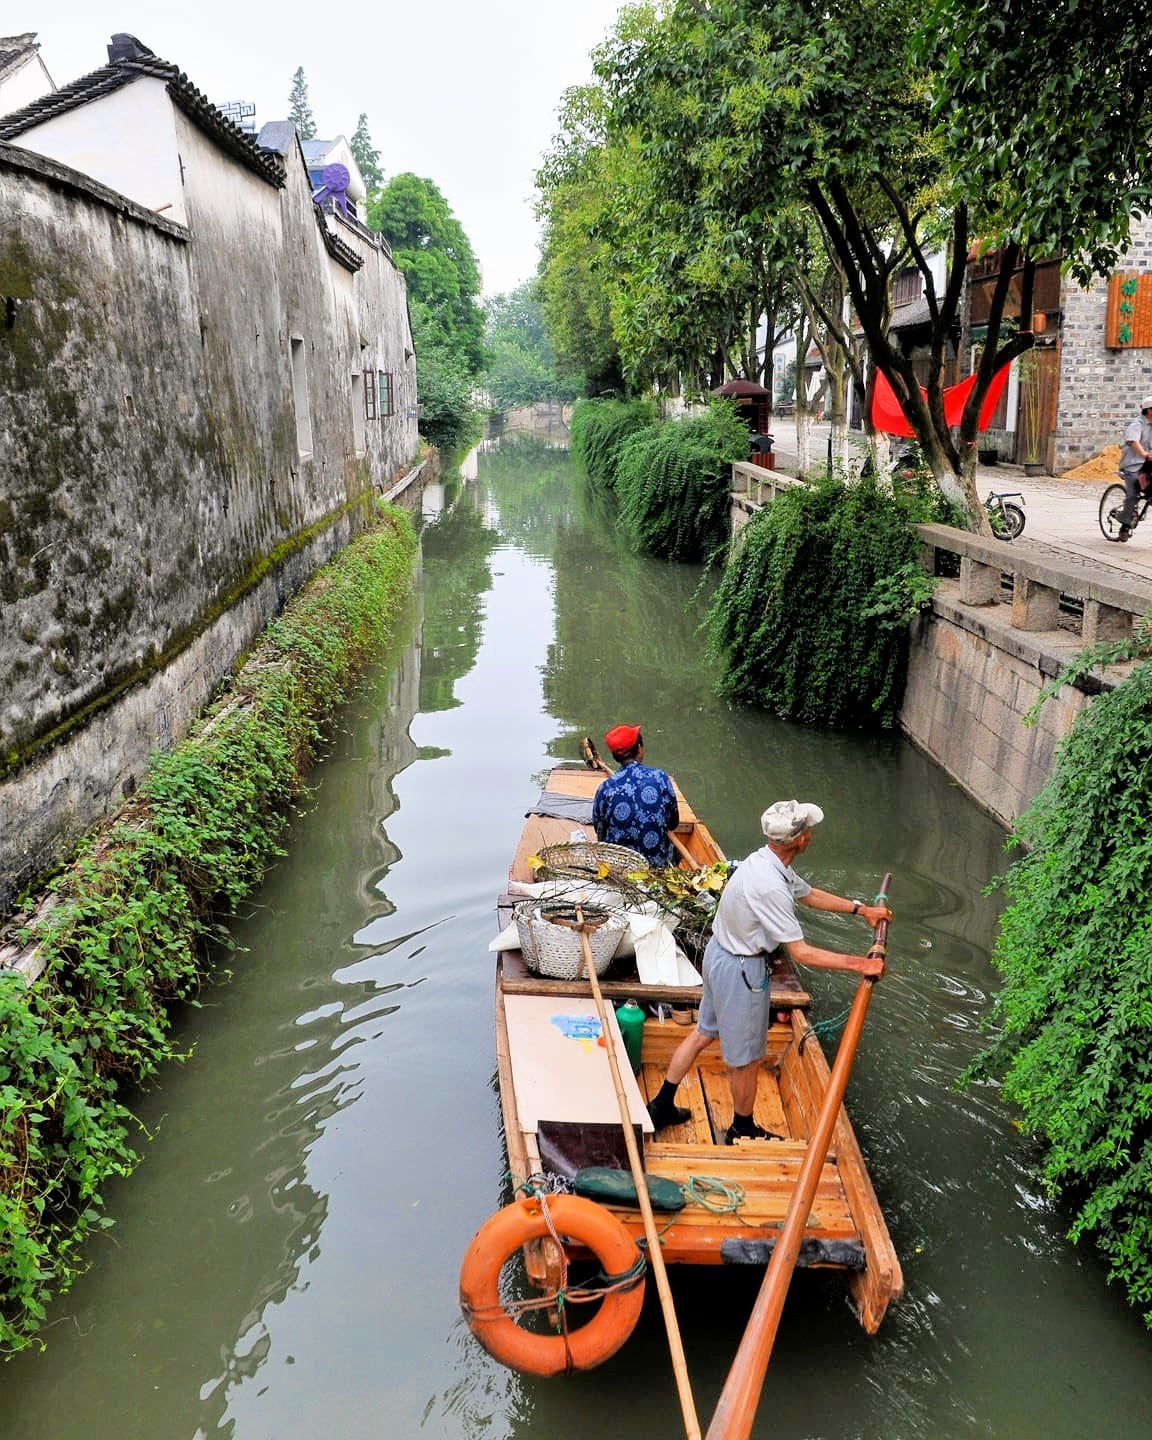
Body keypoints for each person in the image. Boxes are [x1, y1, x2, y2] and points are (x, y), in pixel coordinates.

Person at [646, 799, 890, 1143]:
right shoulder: (770, 885)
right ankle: (741, 1128)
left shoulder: (764, 861)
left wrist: (860, 909)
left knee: (703, 1032)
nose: (811, 833)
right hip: (741, 971)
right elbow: (801, 952)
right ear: (800, 839)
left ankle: (660, 1105)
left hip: (718, 954)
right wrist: (860, 963)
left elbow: (808, 894)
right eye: (809, 829)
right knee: (745, 1061)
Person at [590, 724, 680, 869]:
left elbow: (599, 829)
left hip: (619, 867)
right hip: (656, 865)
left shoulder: (605, 788)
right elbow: (673, 823)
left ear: (615, 757)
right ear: (639, 748)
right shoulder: (660, 778)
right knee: (675, 853)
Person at [1117, 395, 1152, 539]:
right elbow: (1133, 442)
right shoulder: (1137, 424)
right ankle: (1124, 526)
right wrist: (1144, 454)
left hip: (1148, 466)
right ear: (1149, 410)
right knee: (1133, 495)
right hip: (1133, 466)